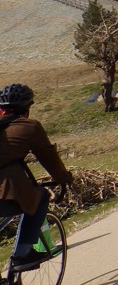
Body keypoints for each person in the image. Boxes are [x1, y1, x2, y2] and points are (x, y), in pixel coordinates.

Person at [0, 84, 73, 271]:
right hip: (5, 194)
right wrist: (63, 179)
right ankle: (23, 254)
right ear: (27, 108)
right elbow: (49, 157)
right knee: (40, 197)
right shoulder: (29, 126)